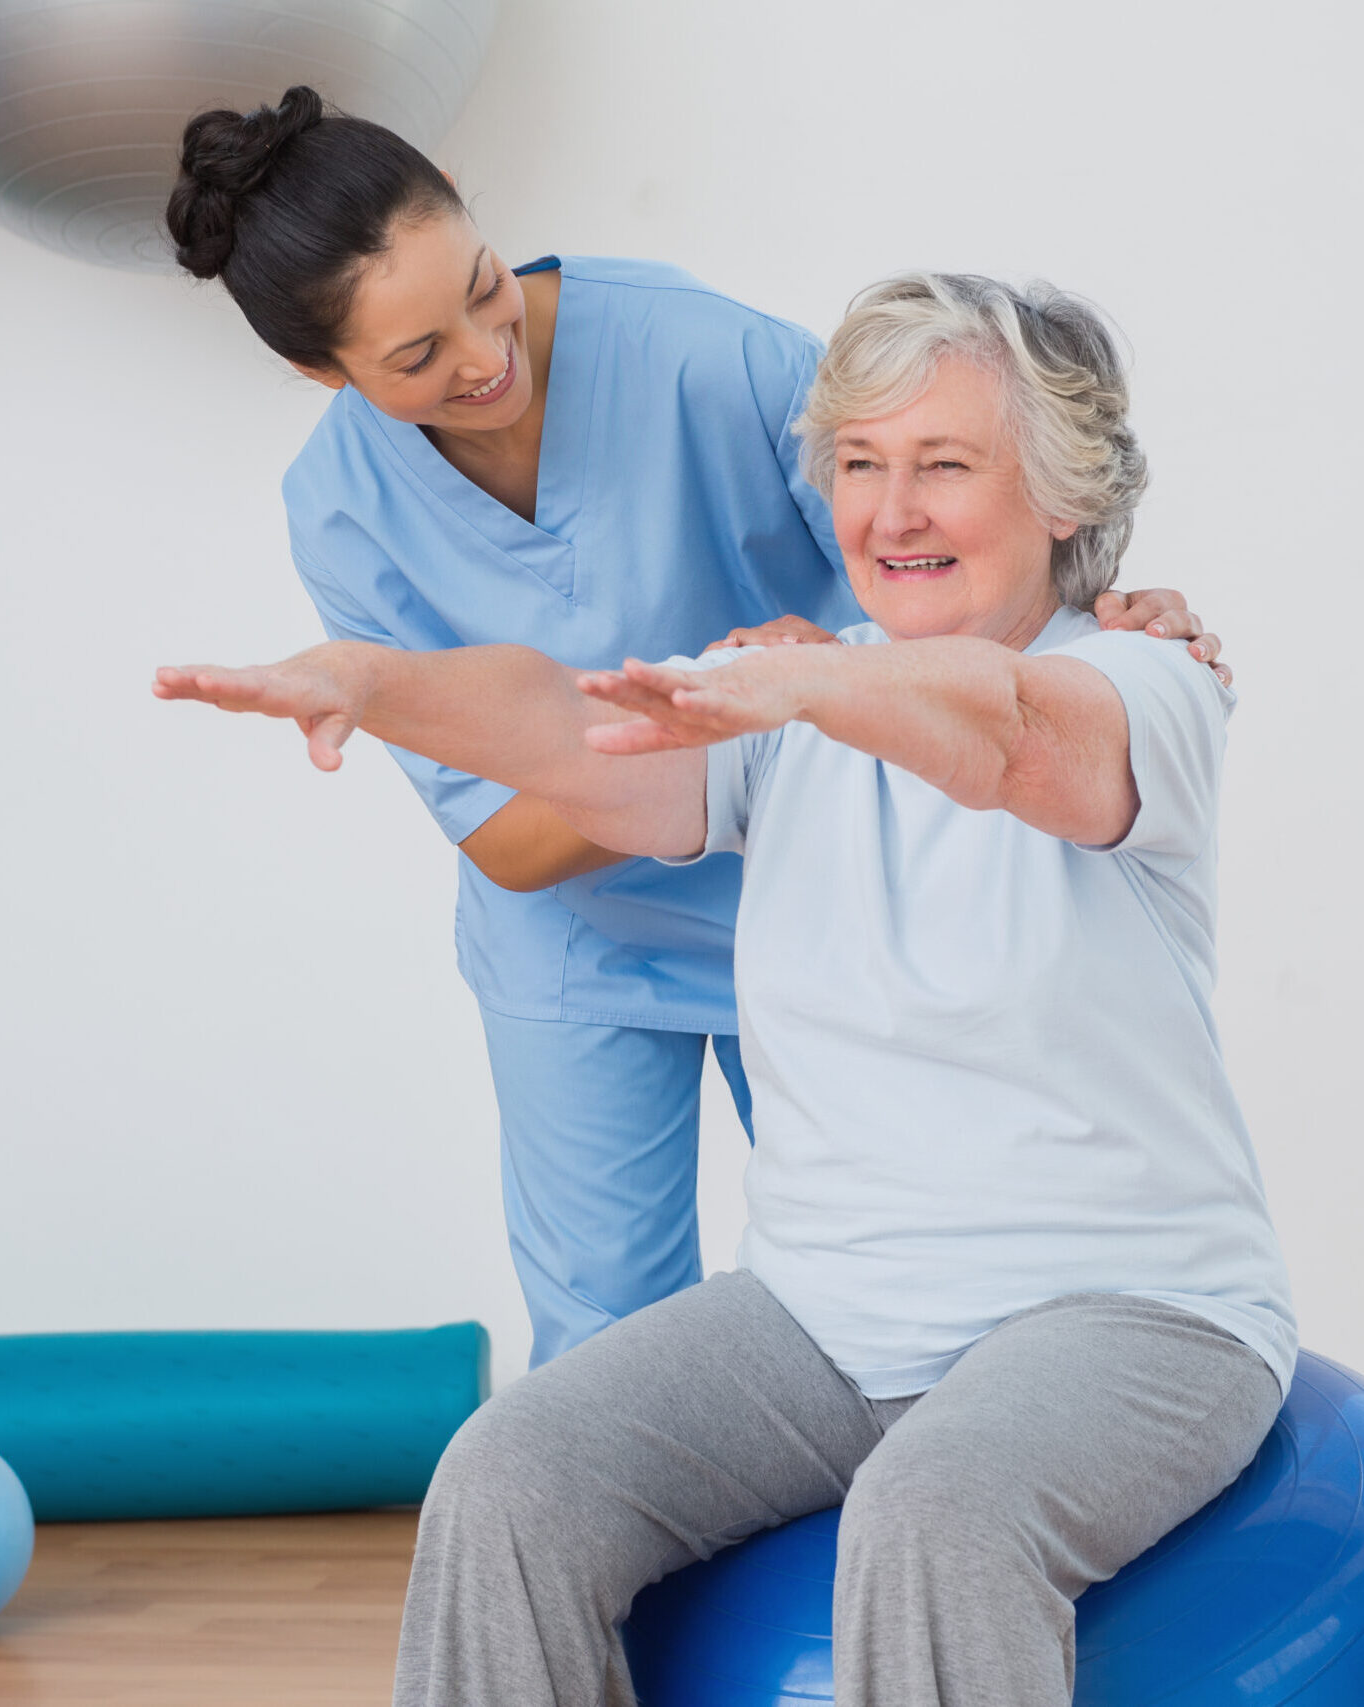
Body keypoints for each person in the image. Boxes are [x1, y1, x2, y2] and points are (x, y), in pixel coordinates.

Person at [154, 271, 1292, 1706]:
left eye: (944, 465)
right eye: (862, 466)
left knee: (936, 1510)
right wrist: (373, 680)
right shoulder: (793, 691)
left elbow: (1012, 739)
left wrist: (815, 686)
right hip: (825, 1315)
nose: (887, 512)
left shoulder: (1139, 679)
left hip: (1131, 1310)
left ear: (1062, 494)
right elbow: (565, 728)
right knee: (511, 1473)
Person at [165, 86, 1226, 1369]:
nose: (483, 352)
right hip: (582, 950)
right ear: (315, 373)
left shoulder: (704, 356)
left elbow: (948, 551)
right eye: (415, 358)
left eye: (483, 285)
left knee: (896, 1316)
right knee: (607, 1352)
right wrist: (703, 737)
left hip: (839, 897)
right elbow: (502, 837)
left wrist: (1101, 610)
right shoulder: (339, 507)